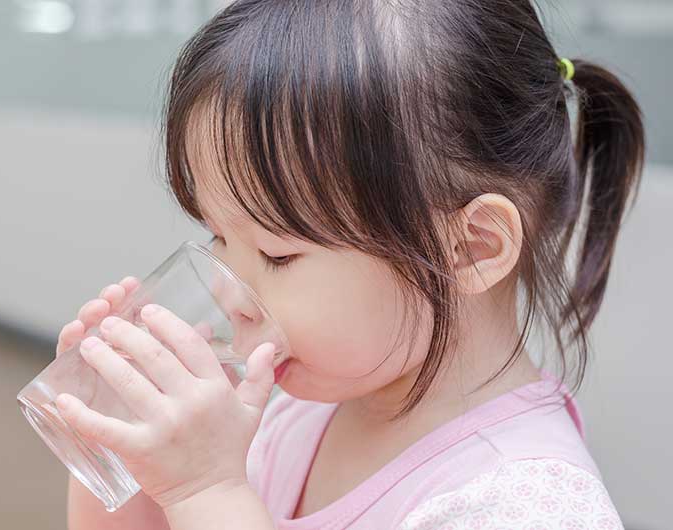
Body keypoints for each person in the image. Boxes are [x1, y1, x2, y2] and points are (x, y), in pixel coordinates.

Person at [57, 1, 643, 528]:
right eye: (217, 237)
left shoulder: (523, 505)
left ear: (471, 249)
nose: (225, 291)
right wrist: (125, 455)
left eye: (277, 254)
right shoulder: (302, 415)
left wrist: (206, 488)